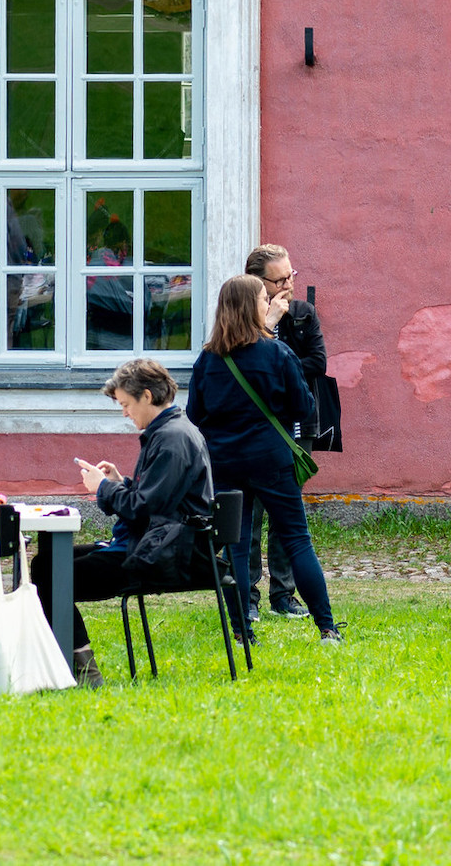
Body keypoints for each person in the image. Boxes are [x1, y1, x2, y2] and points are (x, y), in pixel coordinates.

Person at [28, 358, 220, 689]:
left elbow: (144, 510)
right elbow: (157, 500)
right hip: (165, 543)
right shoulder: (172, 432)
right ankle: (70, 662)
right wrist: (122, 482)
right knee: (47, 562)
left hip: (165, 554)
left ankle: (82, 669)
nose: (125, 413)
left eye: (126, 404)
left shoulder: (172, 439)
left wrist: (104, 488)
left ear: (147, 396)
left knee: (50, 570)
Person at [187, 275, 342, 645]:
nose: (267, 304)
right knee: (296, 539)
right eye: (261, 299)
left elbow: (194, 414)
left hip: (225, 463)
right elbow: (304, 407)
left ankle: (241, 631)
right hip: (272, 459)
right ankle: (327, 628)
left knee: (236, 545)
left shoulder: (208, 360)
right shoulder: (276, 353)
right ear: (249, 307)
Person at [243, 242, 328, 625]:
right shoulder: (241, 319)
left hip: (297, 422)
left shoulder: (304, 314)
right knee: (250, 512)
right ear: (258, 282)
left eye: (291, 276)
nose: (288, 286)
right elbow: (244, 363)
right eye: (279, 280)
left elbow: (318, 363)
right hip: (255, 425)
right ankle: (247, 596)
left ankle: (284, 594)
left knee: (286, 512)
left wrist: (278, 347)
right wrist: (268, 327)